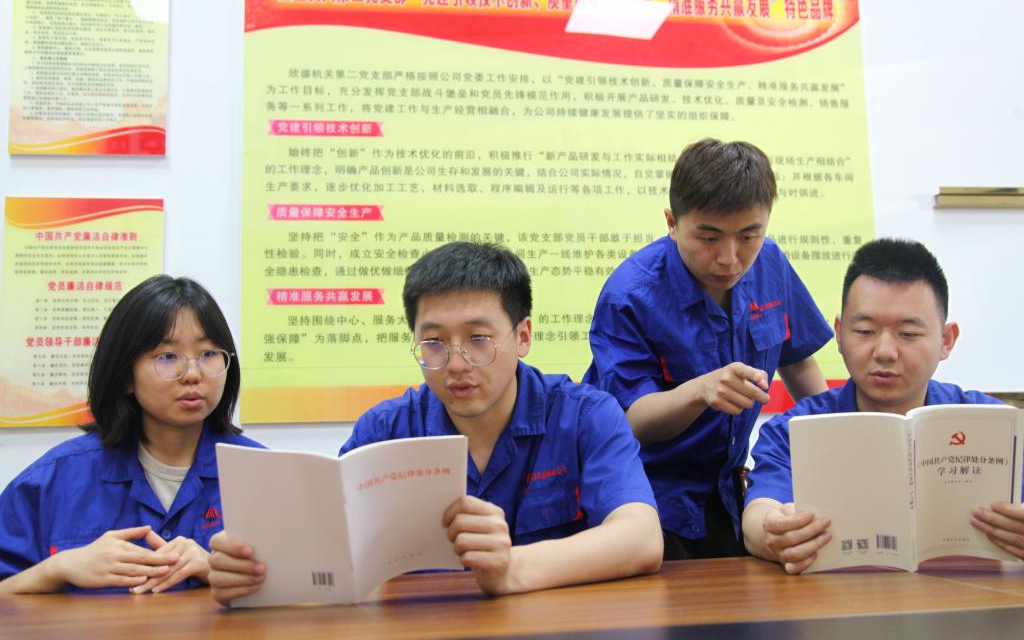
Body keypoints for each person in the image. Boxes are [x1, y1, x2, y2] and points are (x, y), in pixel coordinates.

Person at [208, 242, 662, 604]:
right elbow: (329, 554)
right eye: (434, 343)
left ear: (522, 336)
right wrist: (251, 574)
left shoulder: (584, 416)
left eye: (478, 339)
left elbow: (640, 538)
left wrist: (512, 569)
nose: (456, 363)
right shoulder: (384, 431)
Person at [584, 138, 833, 559]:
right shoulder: (630, 294)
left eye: (749, 235)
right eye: (709, 237)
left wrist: (839, 441)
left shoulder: (771, 264)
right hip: (646, 499)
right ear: (672, 222)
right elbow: (633, 420)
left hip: (728, 493)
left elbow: (799, 362)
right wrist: (700, 391)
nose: (729, 258)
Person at [742, 238, 1023, 573]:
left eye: (908, 334)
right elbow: (759, 514)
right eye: (865, 331)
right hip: (838, 598)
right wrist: (772, 533)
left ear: (946, 340)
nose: (885, 351)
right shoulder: (794, 430)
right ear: (840, 334)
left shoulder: (996, 427)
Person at [0, 276, 263, 594]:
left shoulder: (263, 472)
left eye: (208, 353)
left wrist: (217, 571)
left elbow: (307, 589)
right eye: (168, 356)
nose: (193, 374)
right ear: (126, 375)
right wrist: (56, 568)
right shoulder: (52, 481)